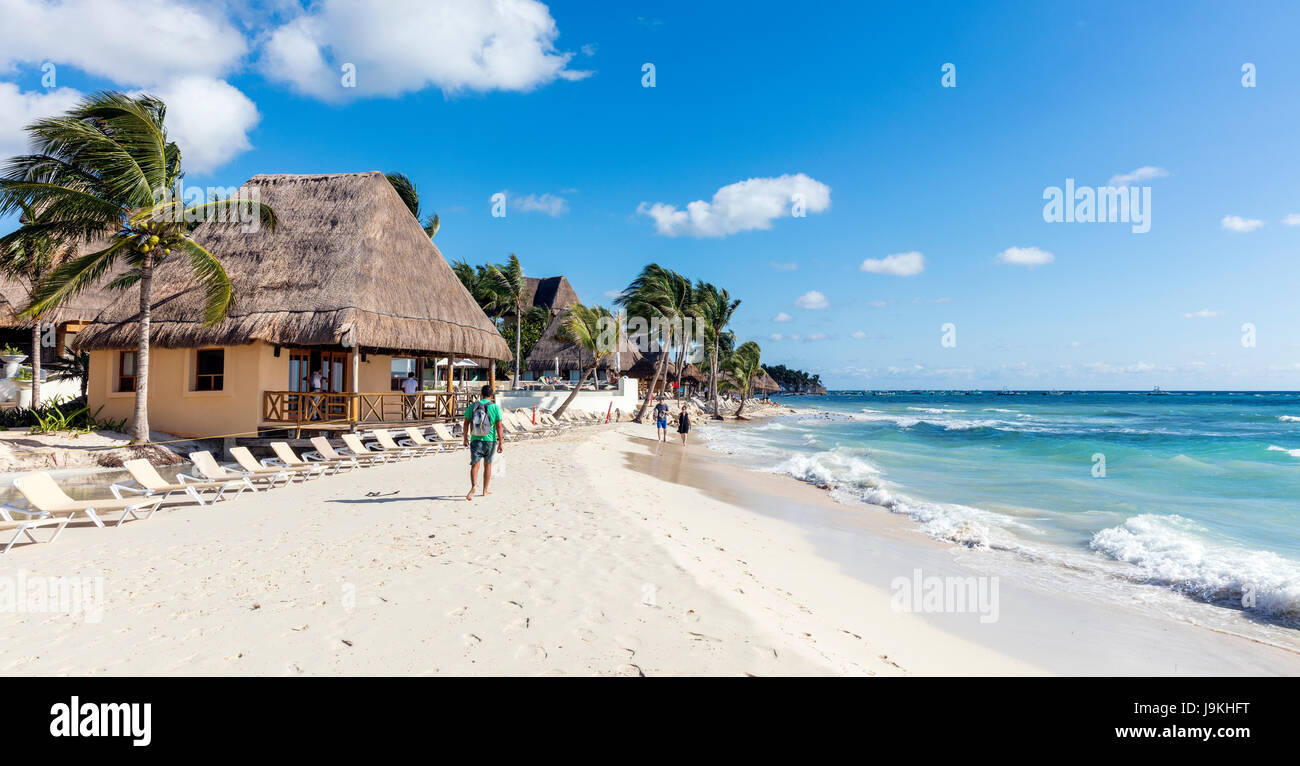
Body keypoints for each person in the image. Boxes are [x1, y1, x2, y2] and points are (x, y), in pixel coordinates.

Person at [462, 384, 503, 501]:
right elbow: (499, 426)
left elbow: (465, 423)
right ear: (491, 395)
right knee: (488, 465)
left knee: (475, 464)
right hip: (490, 440)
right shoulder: (495, 407)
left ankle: (474, 486)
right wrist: (501, 442)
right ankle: (485, 491)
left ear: (481, 395)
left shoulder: (473, 406)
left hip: (475, 439)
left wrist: (465, 438)